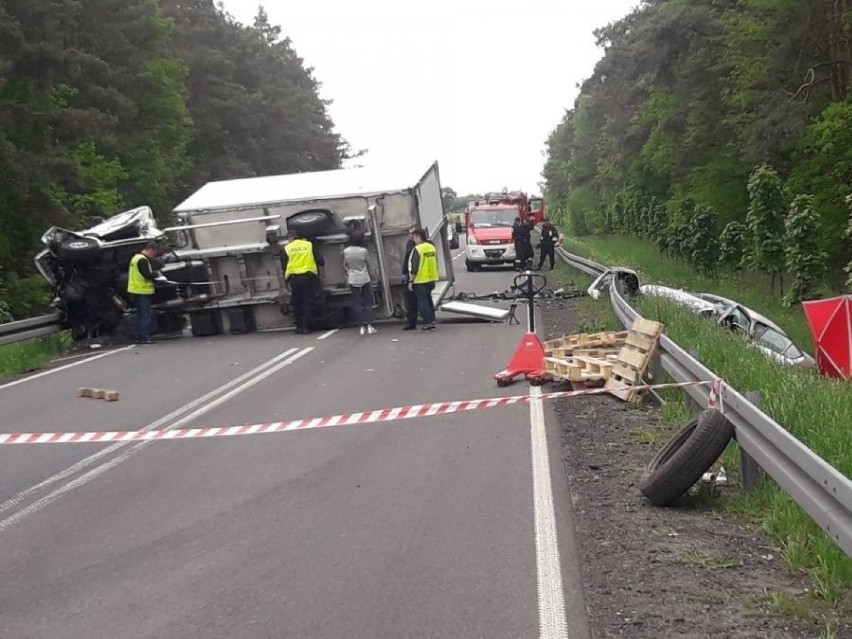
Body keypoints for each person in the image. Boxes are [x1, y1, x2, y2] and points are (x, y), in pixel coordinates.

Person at [281, 230, 325, 334]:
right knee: (308, 302)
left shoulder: (286, 248)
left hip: (295, 279)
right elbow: (321, 261)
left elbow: (284, 266)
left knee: (296, 303)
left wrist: (286, 280)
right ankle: (307, 326)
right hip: (309, 277)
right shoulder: (309, 245)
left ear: (290, 238)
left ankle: (299, 326)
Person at [127, 242, 162, 344]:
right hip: (141, 290)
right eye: (154, 254)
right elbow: (146, 274)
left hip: (134, 290)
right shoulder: (142, 260)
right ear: (150, 250)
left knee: (140, 315)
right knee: (145, 315)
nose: (153, 256)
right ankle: (144, 337)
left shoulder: (135, 258)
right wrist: (157, 274)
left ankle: (139, 336)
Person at [343, 231, 376, 335]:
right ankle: (370, 325)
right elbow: (369, 263)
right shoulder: (364, 251)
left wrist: (348, 273)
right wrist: (372, 275)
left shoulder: (346, 251)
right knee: (368, 302)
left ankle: (361, 326)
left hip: (352, 278)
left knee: (357, 302)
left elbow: (345, 265)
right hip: (364, 277)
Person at [407, 228, 439, 331]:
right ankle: (432, 319)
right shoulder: (431, 247)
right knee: (429, 300)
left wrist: (411, 281)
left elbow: (414, 267)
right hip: (431, 278)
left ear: (418, 236)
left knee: (423, 302)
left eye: (414, 236)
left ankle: (428, 323)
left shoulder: (418, 249)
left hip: (420, 279)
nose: (413, 238)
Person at [400, 225, 419, 330]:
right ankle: (428, 320)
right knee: (414, 300)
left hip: (413, 275)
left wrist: (406, 275)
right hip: (416, 275)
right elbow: (407, 259)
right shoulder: (426, 244)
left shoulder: (413, 244)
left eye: (412, 234)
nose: (411, 236)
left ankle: (411, 323)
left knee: (411, 301)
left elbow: (409, 261)